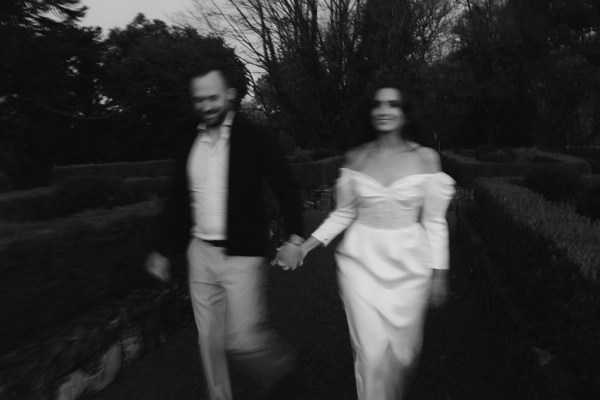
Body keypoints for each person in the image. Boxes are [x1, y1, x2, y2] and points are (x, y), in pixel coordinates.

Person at [282, 74, 455, 400]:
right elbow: (344, 213)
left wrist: (439, 273)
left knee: (402, 355)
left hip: (410, 263)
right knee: (371, 353)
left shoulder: (426, 158)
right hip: (361, 263)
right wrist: (305, 247)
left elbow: (435, 221)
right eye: (377, 104)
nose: (384, 110)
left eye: (392, 103)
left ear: (405, 111)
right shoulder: (356, 158)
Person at [145, 61, 305, 400]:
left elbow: (288, 187)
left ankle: (284, 373)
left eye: (212, 98)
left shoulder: (256, 137)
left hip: (242, 254)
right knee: (209, 342)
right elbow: (177, 196)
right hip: (199, 252)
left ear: (230, 95)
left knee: (242, 338)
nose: (205, 106)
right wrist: (161, 247)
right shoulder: (188, 136)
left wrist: (294, 238)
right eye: (199, 99)